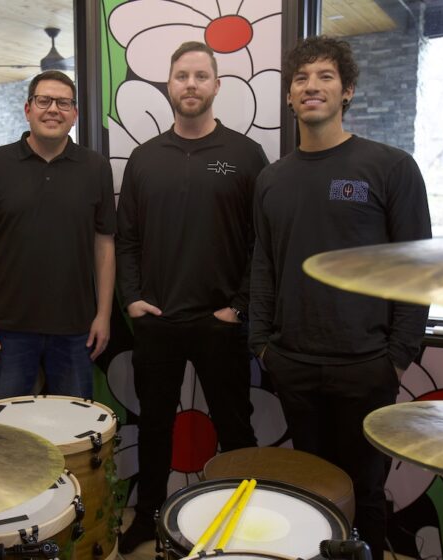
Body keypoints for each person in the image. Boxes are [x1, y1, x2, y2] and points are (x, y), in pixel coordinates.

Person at [249, 36, 431, 560]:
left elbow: (416, 265)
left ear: (347, 90)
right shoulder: (271, 179)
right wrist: (262, 343)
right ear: (289, 96)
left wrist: (398, 355)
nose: (312, 87)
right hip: (293, 364)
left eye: (325, 76)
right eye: (301, 78)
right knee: (309, 489)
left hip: (366, 366)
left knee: (365, 491)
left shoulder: (390, 167)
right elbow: (264, 265)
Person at [116, 41, 267, 553]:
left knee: (236, 429)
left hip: (220, 322)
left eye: (201, 76)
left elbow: (260, 244)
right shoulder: (144, 158)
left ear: (217, 86)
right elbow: (128, 239)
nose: (191, 85)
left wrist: (238, 307)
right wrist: (132, 299)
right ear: (168, 85)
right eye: (182, 76)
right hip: (156, 320)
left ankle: (243, 521)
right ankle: (149, 517)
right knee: (155, 427)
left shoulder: (246, 156)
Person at [0, 70, 116, 400]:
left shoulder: (96, 168)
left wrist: (103, 315)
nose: (53, 109)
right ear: (28, 108)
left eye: (63, 103)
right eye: (44, 100)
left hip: (77, 329)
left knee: (75, 430)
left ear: (75, 114)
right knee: (9, 434)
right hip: (6, 328)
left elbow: (104, 245)